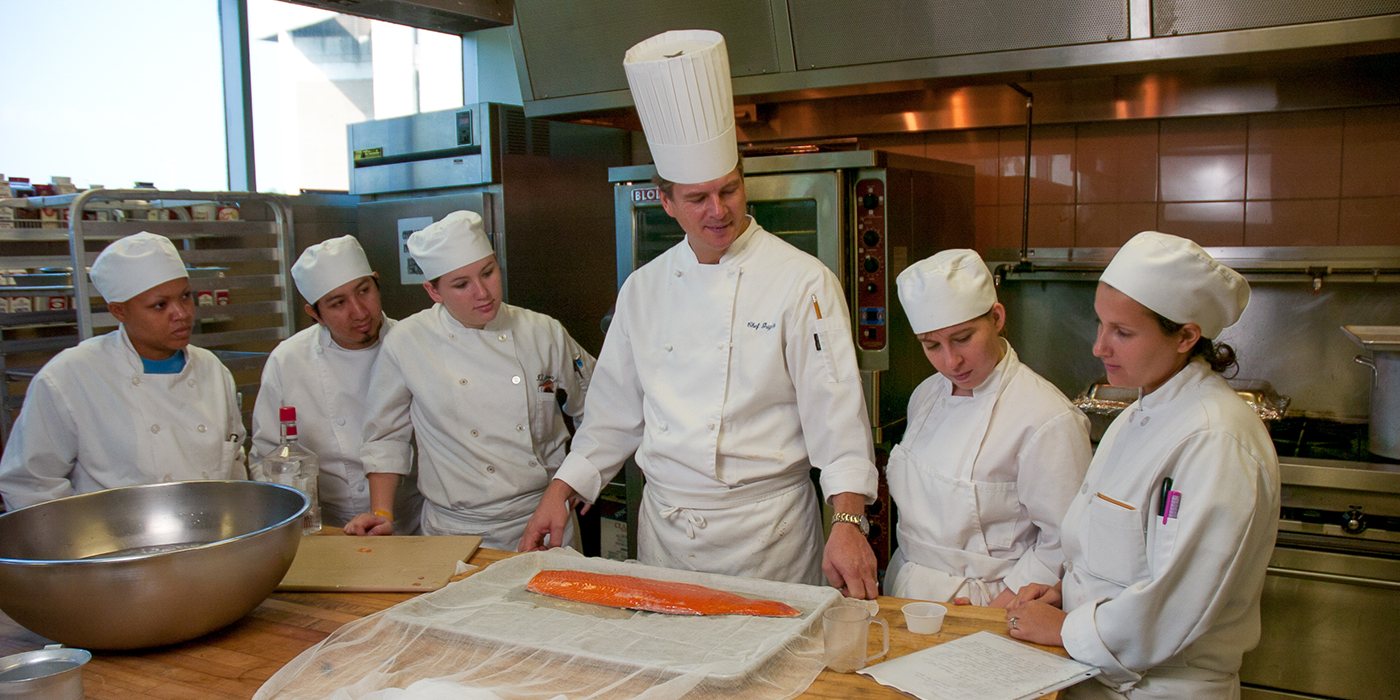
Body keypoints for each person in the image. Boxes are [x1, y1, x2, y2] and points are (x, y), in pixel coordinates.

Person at [520, 29, 881, 598]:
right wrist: (559, 493)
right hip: (667, 531)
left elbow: (836, 417)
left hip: (770, 534)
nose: (719, 211)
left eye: (729, 190)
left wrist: (849, 521)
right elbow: (612, 415)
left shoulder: (802, 281)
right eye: (698, 198)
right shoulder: (645, 288)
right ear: (665, 202)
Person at [1005, 231, 1280, 699]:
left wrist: (1068, 628)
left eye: (1123, 332)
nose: (1099, 347)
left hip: (1161, 689)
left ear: (1186, 336)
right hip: (1098, 678)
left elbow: (1175, 605)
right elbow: (1120, 560)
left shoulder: (1215, 440)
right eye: (1100, 324)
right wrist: (1068, 596)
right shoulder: (1138, 414)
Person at [348, 210, 594, 549]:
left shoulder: (543, 332)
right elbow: (386, 437)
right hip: (455, 531)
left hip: (545, 515)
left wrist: (578, 478)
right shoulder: (408, 342)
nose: (483, 292)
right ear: (433, 291)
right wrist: (382, 513)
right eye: (462, 284)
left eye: (488, 273)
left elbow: (597, 405)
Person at [887, 249, 1091, 607]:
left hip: (987, 602)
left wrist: (998, 611)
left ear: (996, 318)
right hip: (906, 590)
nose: (951, 361)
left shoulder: (1047, 417)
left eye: (963, 338)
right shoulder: (926, 395)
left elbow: (1065, 542)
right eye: (932, 345)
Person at [0, 232, 245, 510]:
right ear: (119, 311)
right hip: (112, 547)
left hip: (212, 539)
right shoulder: (70, 376)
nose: (182, 313)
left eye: (186, 296)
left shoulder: (211, 369)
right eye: (160, 305)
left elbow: (234, 464)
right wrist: (80, 545)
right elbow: (31, 485)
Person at [251, 235, 422, 532]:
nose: (359, 312)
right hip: (326, 528)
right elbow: (267, 458)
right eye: (338, 303)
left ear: (377, 282)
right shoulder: (288, 361)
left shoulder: (415, 344)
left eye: (364, 291)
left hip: (415, 522)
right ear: (314, 314)